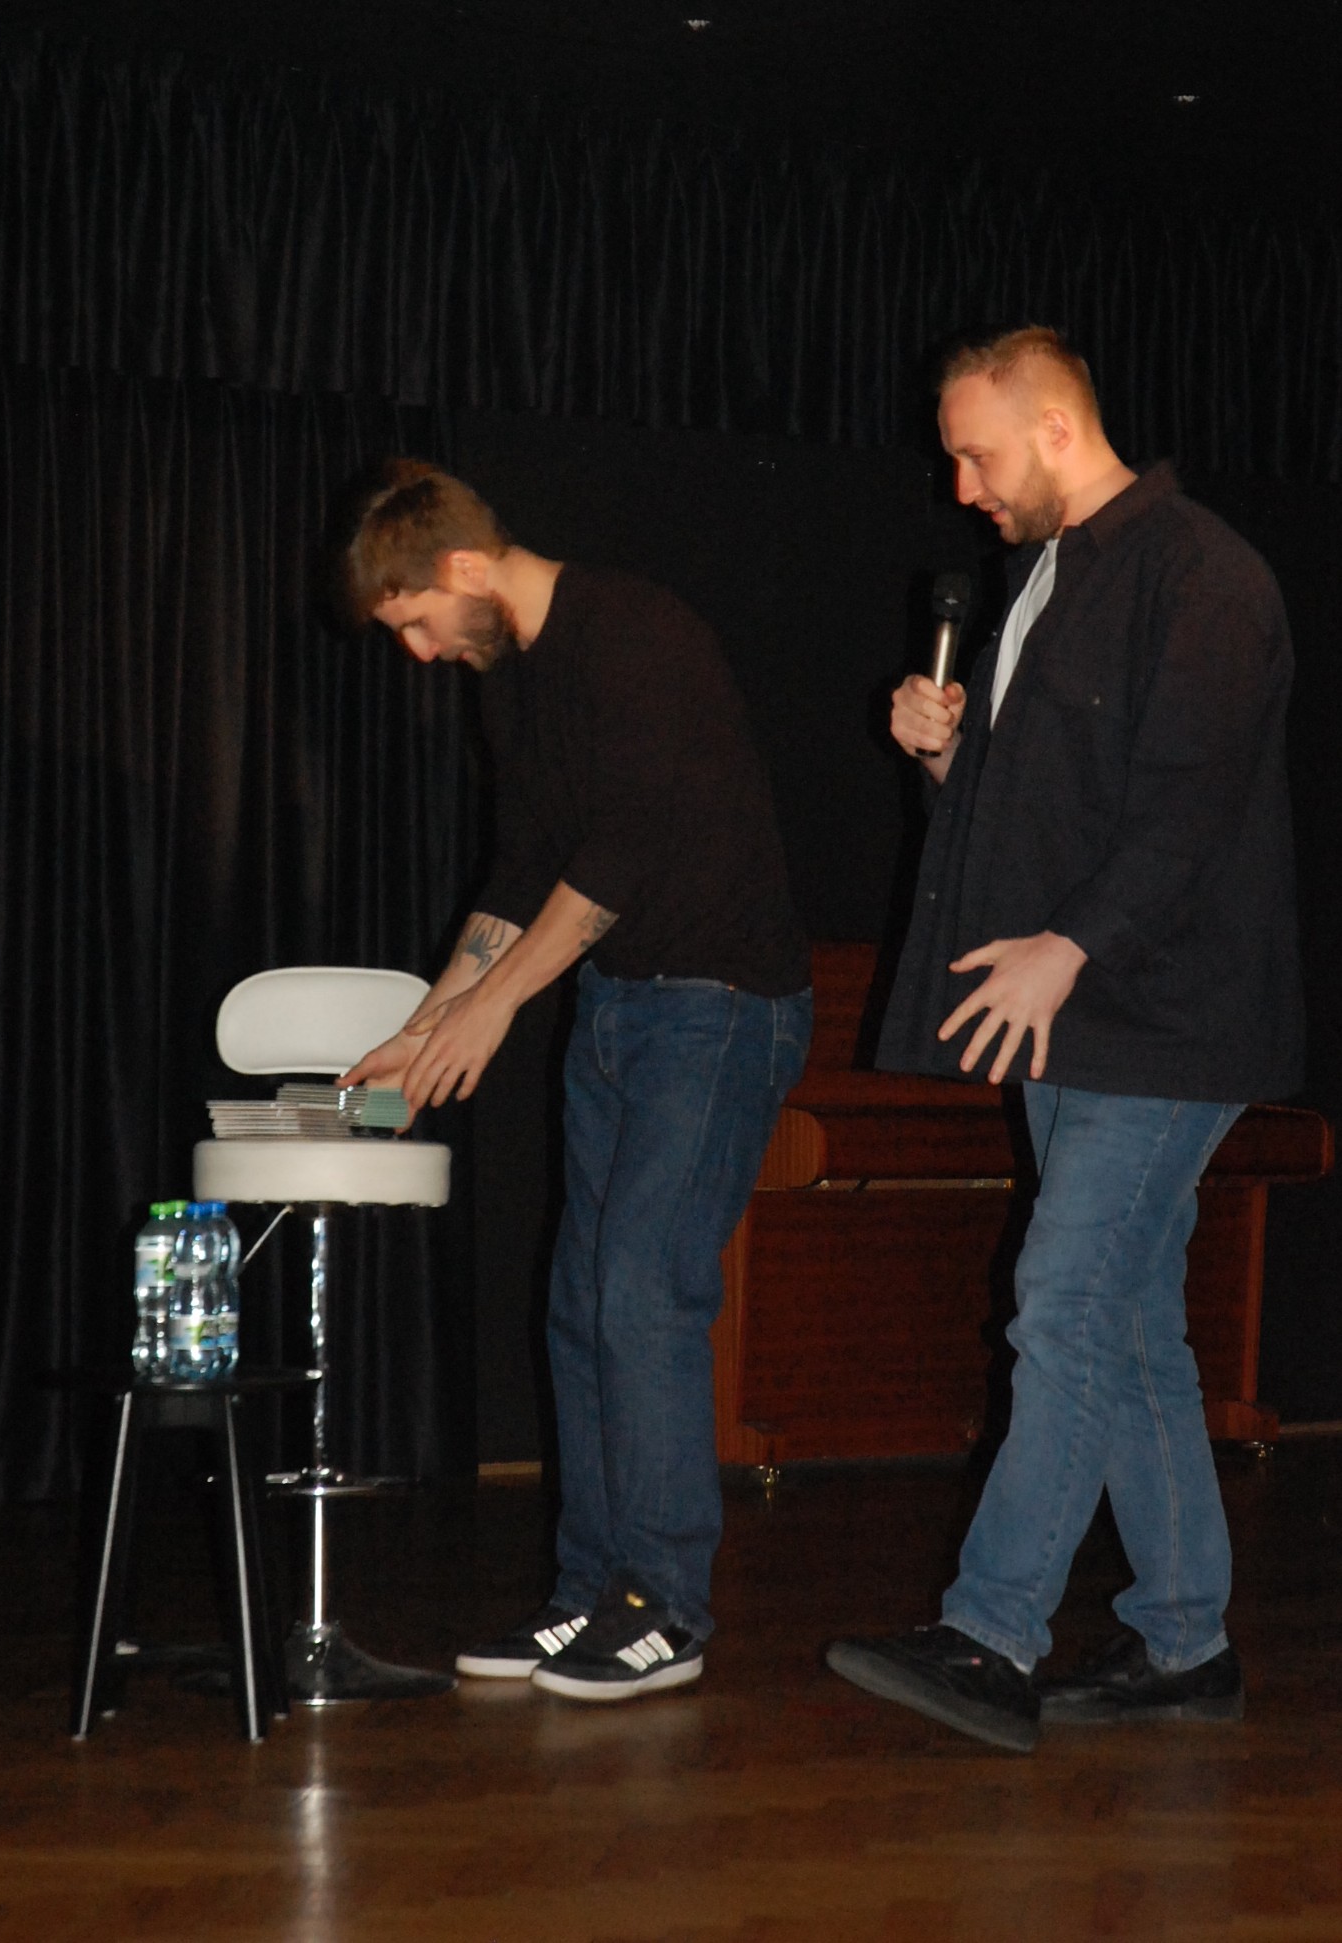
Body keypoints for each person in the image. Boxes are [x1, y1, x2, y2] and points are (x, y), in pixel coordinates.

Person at [826, 326, 1304, 1752]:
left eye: (975, 454)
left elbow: (1190, 806)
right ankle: (1183, 1641)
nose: (960, 486)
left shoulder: (1204, 573)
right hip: (1075, 1015)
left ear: (1051, 426)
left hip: (1165, 1017)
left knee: (1065, 1301)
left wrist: (1072, 945)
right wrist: (946, 758)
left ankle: (991, 1633)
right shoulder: (1044, 580)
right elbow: (1047, 814)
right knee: (1126, 1322)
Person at [336, 461, 812, 1702]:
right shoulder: (513, 679)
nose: (421, 653)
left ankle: (664, 1608)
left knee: (642, 1297)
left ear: (462, 567)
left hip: (719, 1006)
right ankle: (586, 1595)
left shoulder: (635, 632)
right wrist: (424, 1020)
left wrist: (494, 1007)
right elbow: (524, 866)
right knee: (580, 1303)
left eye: (417, 623)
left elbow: (620, 854)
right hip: (619, 1008)